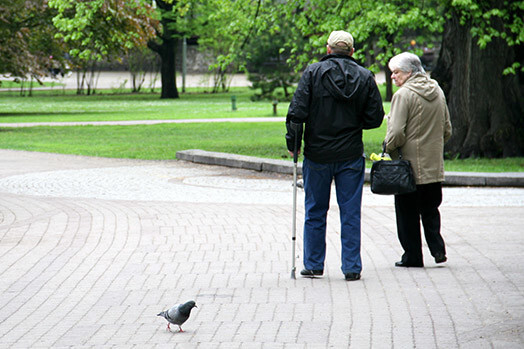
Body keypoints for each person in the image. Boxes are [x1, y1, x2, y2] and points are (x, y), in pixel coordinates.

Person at [285, 30, 384, 281]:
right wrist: (354, 121)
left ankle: (313, 263)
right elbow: (374, 118)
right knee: (350, 212)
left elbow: (297, 113)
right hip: (350, 153)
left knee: (315, 210)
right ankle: (351, 267)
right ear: (352, 51)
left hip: (317, 153)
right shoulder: (365, 76)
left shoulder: (312, 73)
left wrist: (293, 144)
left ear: (328, 49)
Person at [384, 52, 452, 268]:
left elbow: (396, 132)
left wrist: (387, 147)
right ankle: (437, 249)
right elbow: (447, 129)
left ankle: (412, 256)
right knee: (431, 209)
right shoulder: (438, 91)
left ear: (409, 72)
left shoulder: (403, 95)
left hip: (408, 167)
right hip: (433, 165)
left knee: (407, 213)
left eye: (396, 72)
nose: (393, 77)